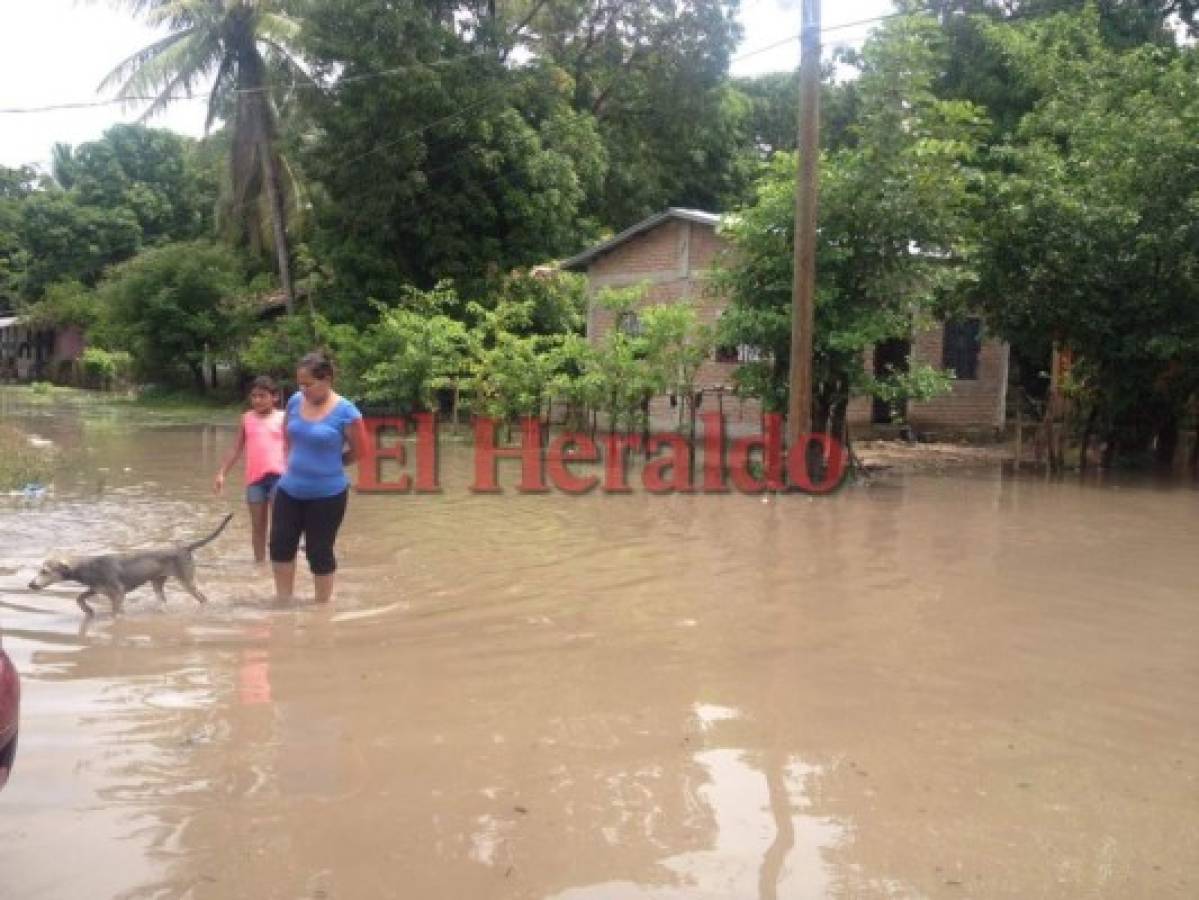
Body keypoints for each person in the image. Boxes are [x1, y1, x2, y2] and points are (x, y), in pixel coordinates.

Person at [269, 351, 367, 603]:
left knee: (319, 552)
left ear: (327, 379)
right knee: (280, 547)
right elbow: (287, 437)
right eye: (299, 384)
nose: (302, 389)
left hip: (327, 495)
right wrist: (291, 464)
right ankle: (283, 601)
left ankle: (322, 608)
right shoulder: (294, 401)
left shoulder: (347, 412)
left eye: (308, 384)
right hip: (289, 489)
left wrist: (334, 463)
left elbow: (362, 451)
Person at [214, 376, 286, 563]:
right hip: (255, 481)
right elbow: (236, 448)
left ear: (275, 397)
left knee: (280, 527)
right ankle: (260, 564)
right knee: (257, 527)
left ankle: (280, 563)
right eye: (253, 396)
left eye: (262, 396)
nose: (257, 400)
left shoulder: (284, 418)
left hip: (280, 478)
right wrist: (222, 473)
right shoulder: (247, 418)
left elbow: (295, 448)